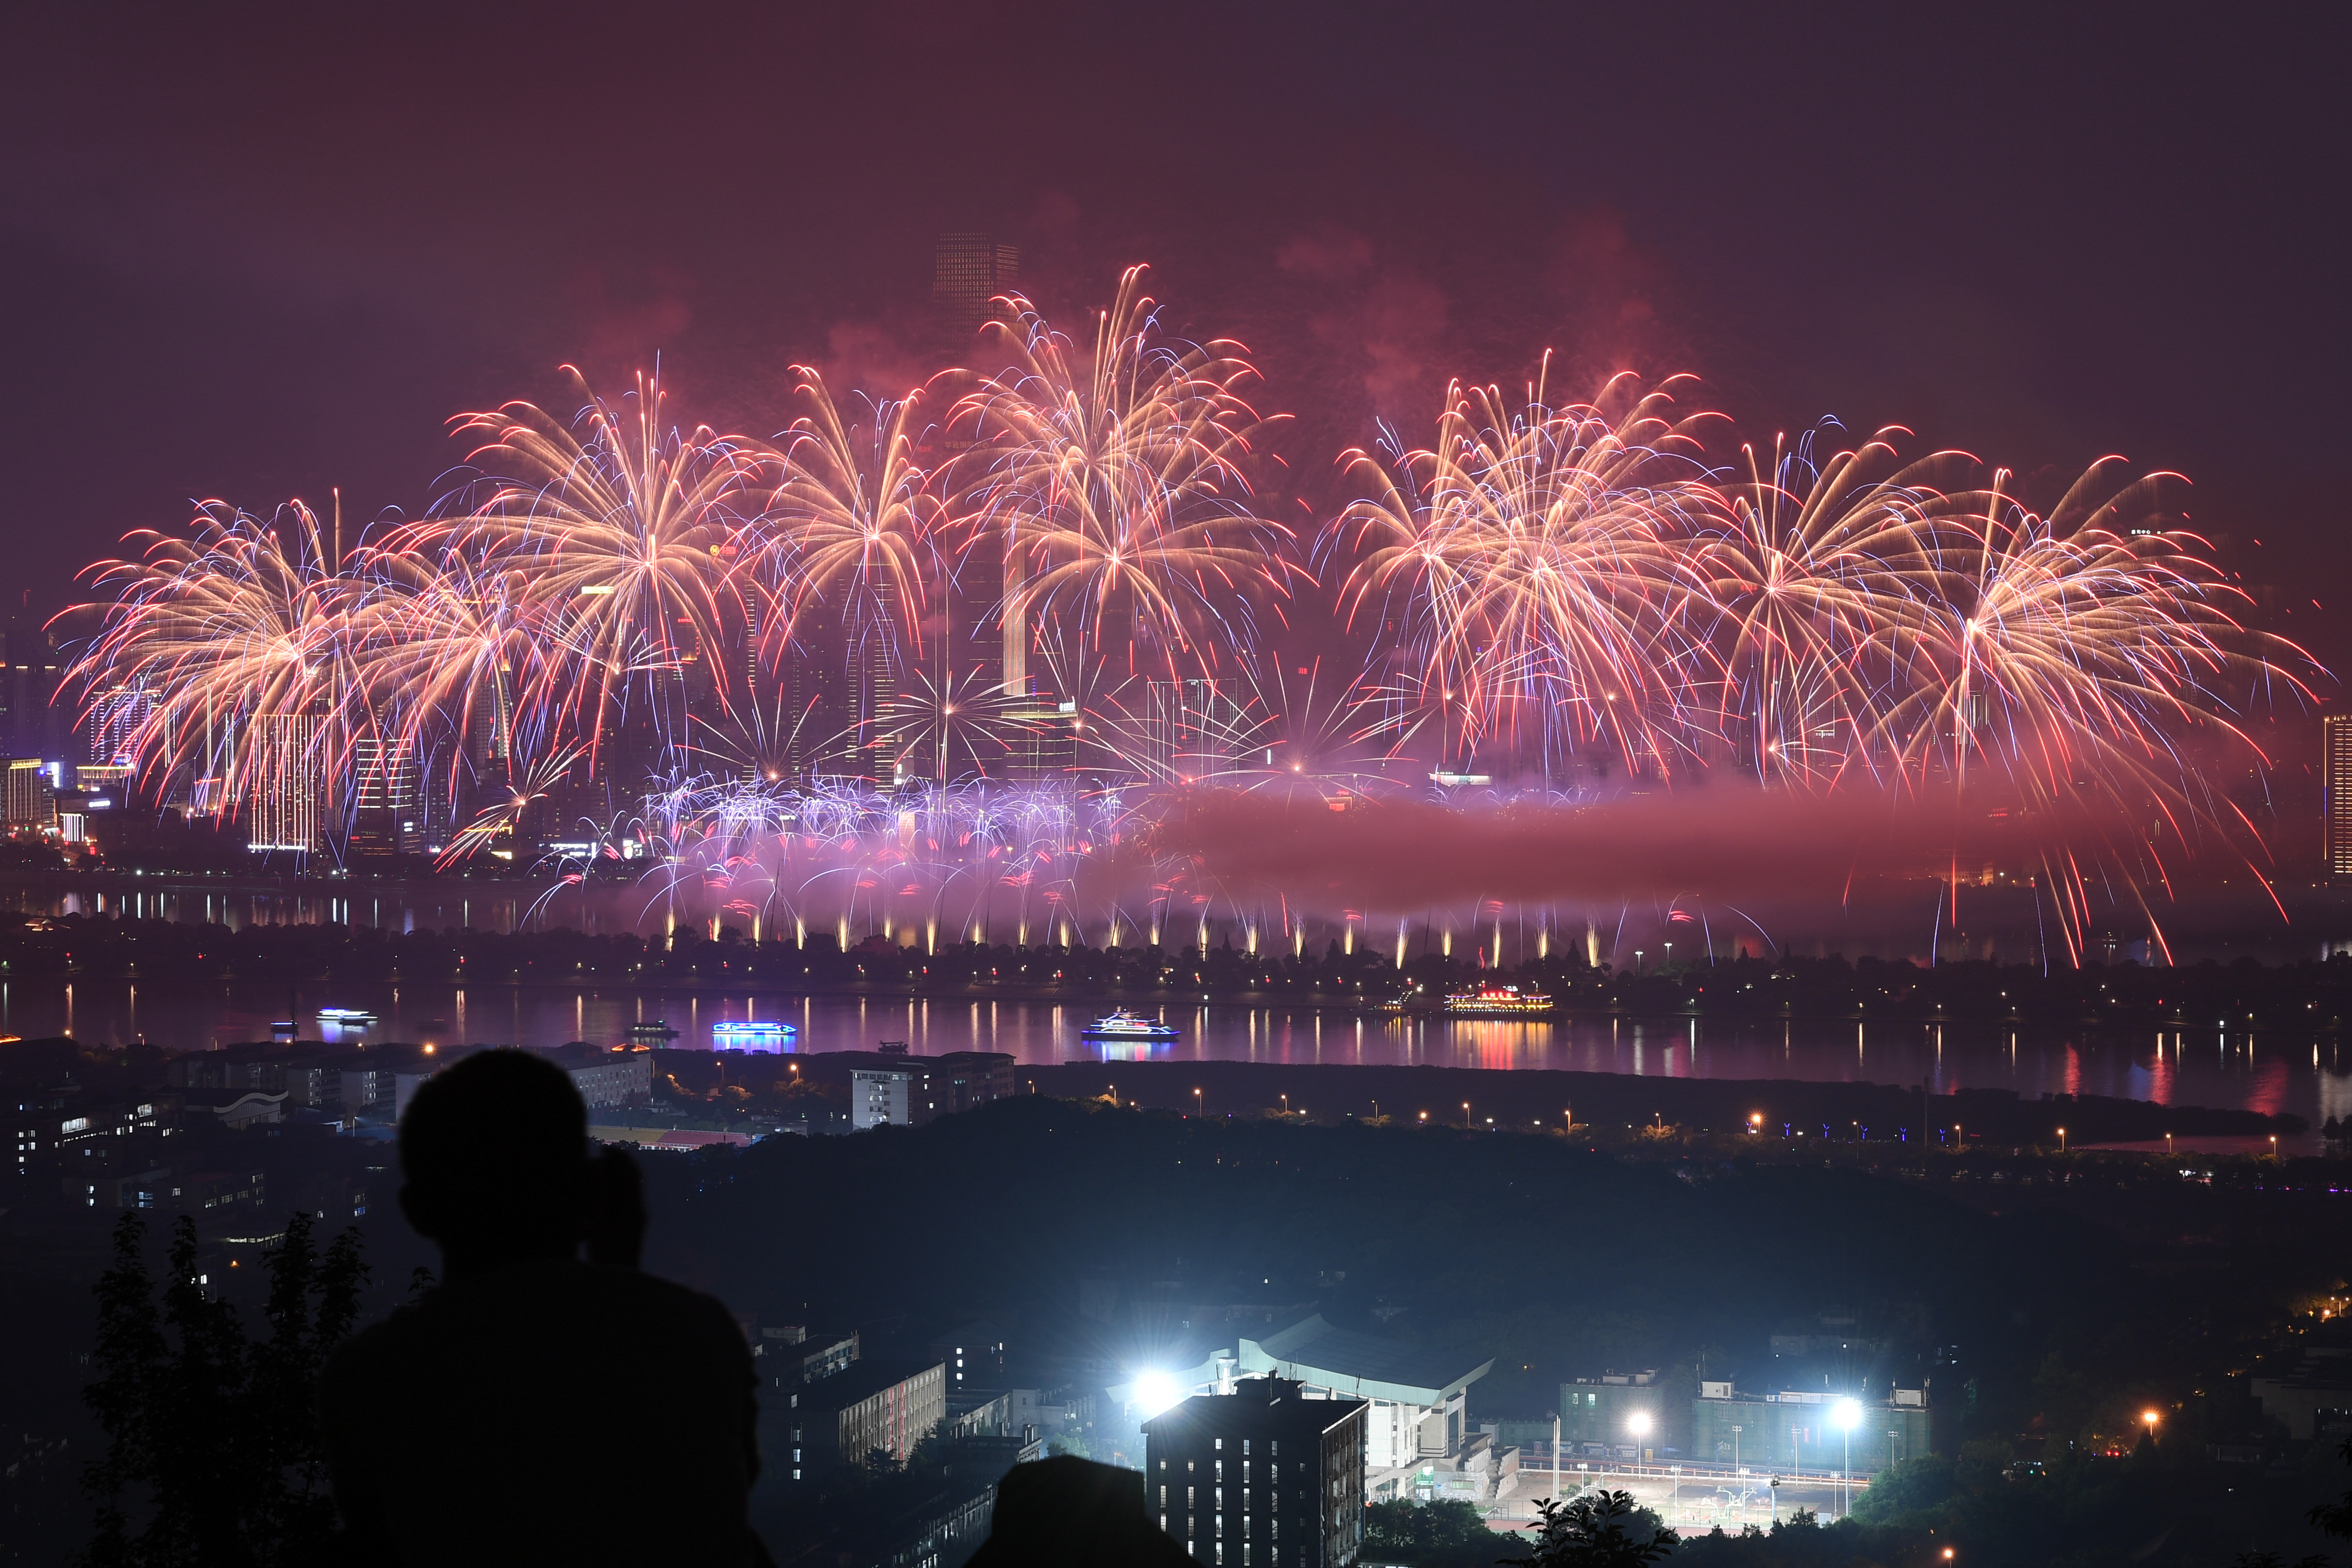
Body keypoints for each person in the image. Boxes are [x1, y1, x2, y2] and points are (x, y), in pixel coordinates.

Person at [319, 1049, 766, 1566]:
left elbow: (375, 1534)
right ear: (590, 1194)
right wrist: (621, 1273)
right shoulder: (691, 1339)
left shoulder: (370, 1380)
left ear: (417, 1211)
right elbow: (728, 1493)